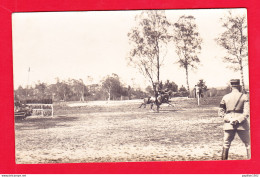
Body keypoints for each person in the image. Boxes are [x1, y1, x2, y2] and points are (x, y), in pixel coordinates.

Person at [218, 79, 250, 160]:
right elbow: (246, 113)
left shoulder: (225, 97)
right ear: (239, 86)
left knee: (226, 144)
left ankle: (223, 166)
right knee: (248, 144)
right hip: (242, 124)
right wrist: (238, 120)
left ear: (231, 86)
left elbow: (221, 112)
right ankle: (251, 165)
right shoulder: (244, 96)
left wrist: (230, 119)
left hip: (229, 124)